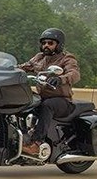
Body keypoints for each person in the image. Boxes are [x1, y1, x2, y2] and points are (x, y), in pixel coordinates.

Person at [17, 27, 81, 157]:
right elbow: (24, 66)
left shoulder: (67, 58)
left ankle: (36, 143)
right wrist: (6, 68)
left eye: (50, 43)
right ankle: (22, 137)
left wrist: (60, 79)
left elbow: (75, 74)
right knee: (21, 101)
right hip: (43, 97)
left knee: (47, 106)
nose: (46, 45)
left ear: (59, 45)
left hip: (62, 101)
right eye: (44, 43)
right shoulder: (40, 58)